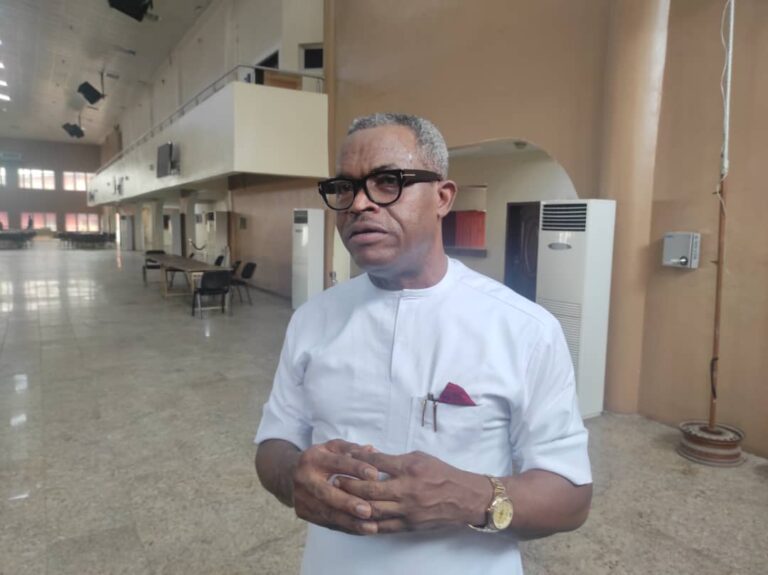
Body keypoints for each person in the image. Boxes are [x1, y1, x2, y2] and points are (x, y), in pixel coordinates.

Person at [255, 113, 592, 575]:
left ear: (443, 197)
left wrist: (468, 497)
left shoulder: (524, 329)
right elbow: (273, 443)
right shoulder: (312, 320)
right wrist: (292, 477)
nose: (359, 204)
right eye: (345, 188)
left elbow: (571, 497)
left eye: (388, 182)